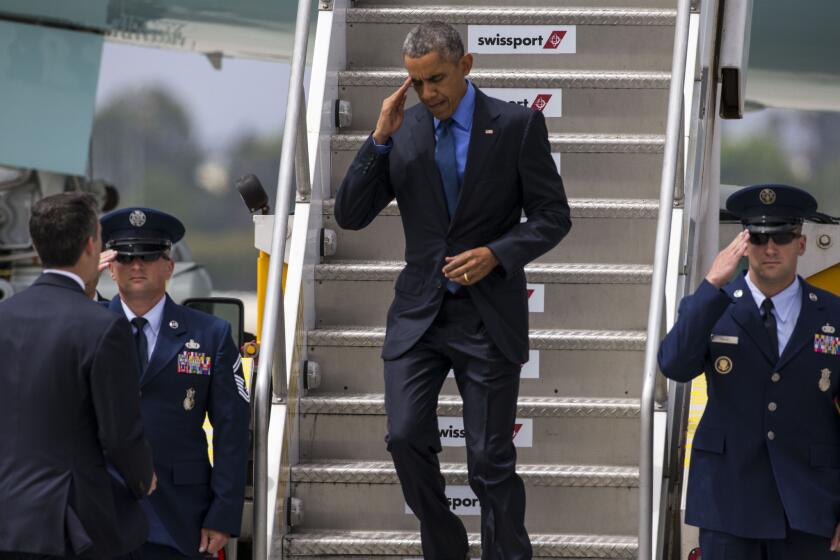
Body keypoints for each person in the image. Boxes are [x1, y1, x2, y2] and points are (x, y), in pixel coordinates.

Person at [334, 21, 571, 560]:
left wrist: (497, 254)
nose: (428, 93)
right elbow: (349, 215)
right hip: (419, 315)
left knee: (489, 460)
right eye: (416, 83)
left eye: (436, 79)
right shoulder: (404, 131)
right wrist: (378, 139)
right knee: (404, 437)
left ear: (466, 66)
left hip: (487, 318)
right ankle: (445, 544)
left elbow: (554, 216)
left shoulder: (516, 125)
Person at [658, 184, 840, 559]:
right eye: (758, 237)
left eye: (783, 236)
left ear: (801, 244)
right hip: (730, 504)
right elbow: (674, 365)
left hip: (811, 505)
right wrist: (712, 285)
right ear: (743, 244)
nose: (770, 249)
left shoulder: (834, 313)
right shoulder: (713, 305)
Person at [0, 192, 155, 559]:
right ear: (90, 245)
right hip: (68, 526)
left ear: (37, 246)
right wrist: (142, 477)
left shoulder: (4, 316)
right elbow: (119, 434)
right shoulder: (101, 327)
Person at [100, 207, 250, 559]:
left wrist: (224, 513)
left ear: (169, 265)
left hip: (182, 516)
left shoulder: (210, 333)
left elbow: (233, 427)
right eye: (126, 256)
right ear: (110, 266)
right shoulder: (87, 329)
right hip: (102, 513)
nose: (137, 265)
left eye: (150, 255)